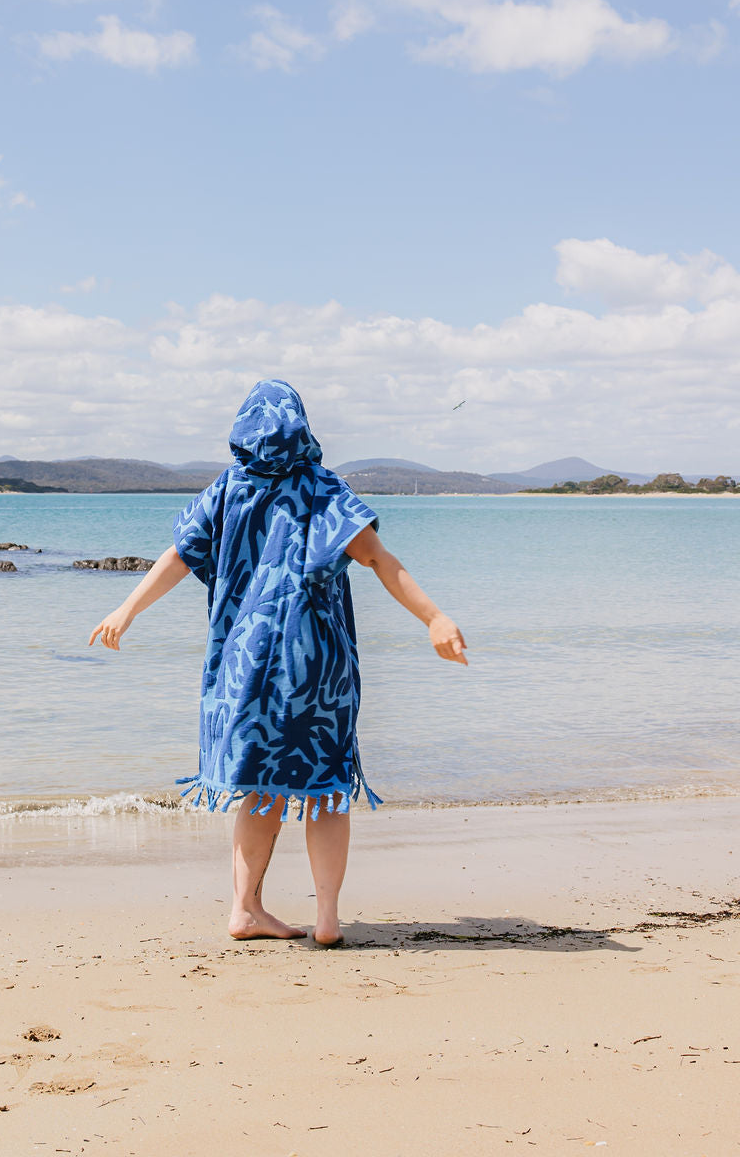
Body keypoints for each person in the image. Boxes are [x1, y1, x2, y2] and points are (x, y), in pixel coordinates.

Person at [89, 379, 467, 947]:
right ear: (302, 429)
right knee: (326, 788)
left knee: (262, 787)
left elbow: (178, 558)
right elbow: (380, 561)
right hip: (316, 669)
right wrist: (435, 618)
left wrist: (127, 608)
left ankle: (245, 909)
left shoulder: (227, 490)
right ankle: (327, 920)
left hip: (245, 666)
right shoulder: (322, 489)